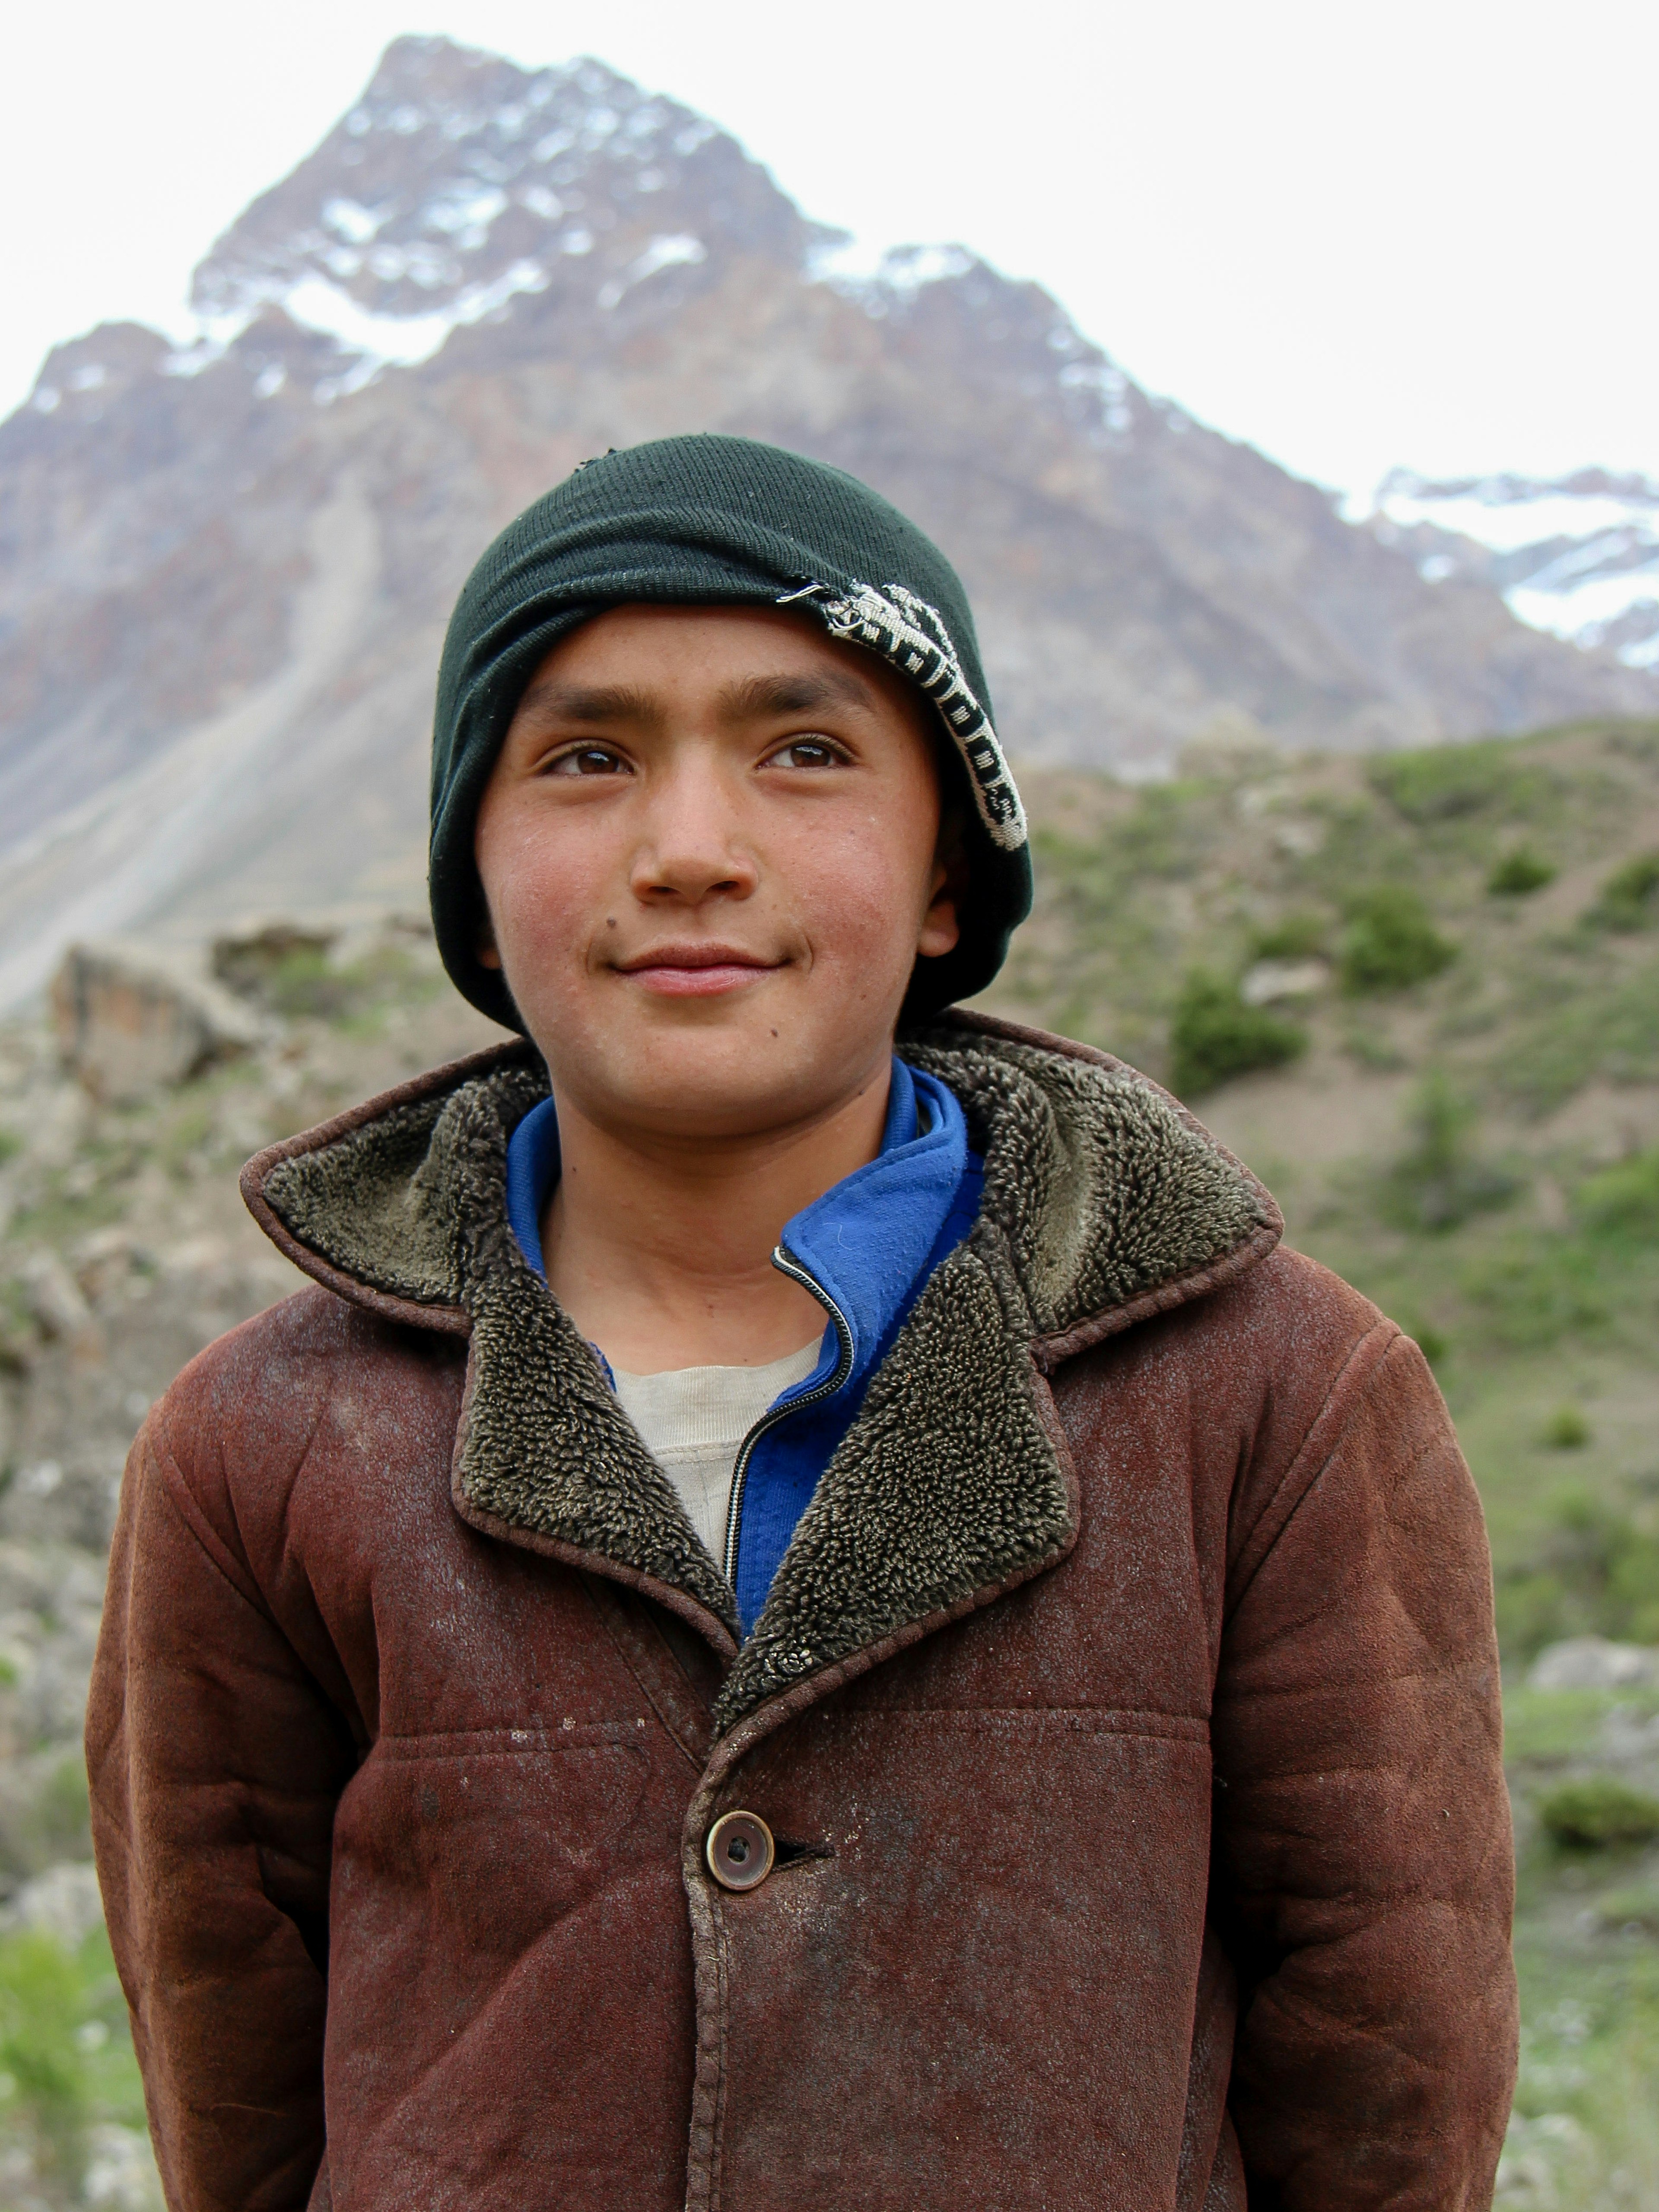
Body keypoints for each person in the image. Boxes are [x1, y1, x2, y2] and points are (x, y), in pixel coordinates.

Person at [87, 434, 1516, 2212]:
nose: (691, 848)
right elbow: (237, 2103)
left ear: (946, 875)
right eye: (587, 757)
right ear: (474, 875)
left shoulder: (1276, 1392)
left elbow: (1388, 2082)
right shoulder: (261, 1441)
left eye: (809, 751)